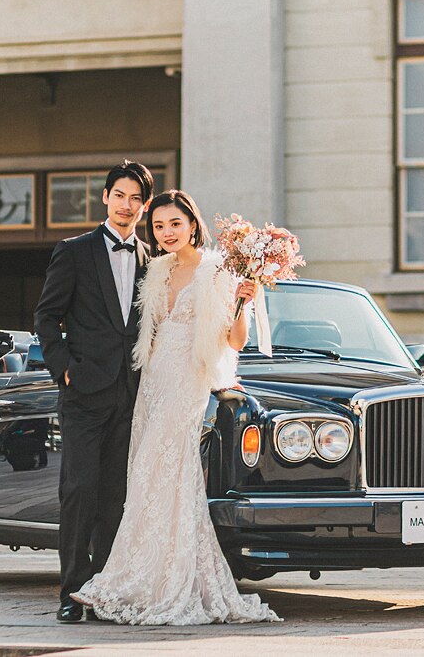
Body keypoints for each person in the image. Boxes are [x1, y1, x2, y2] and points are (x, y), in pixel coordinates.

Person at [71, 189, 281, 625]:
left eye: (175, 224)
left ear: (192, 225)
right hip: (152, 379)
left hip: (189, 379)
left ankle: (169, 582)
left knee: (168, 470)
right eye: (160, 226)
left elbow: (236, 340)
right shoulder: (156, 270)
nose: (166, 233)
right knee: (144, 476)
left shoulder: (216, 269)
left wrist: (245, 298)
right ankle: (136, 576)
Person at [34, 159, 155, 623]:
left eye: (136, 199)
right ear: (105, 197)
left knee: (114, 498)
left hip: (131, 395)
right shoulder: (74, 251)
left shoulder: (153, 260)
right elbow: (46, 316)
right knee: (79, 491)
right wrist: (63, 368)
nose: (127, 206)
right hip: (83, 393)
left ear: (143, 207)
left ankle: (101, 591)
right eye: (120, 196)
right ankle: (70, 591)